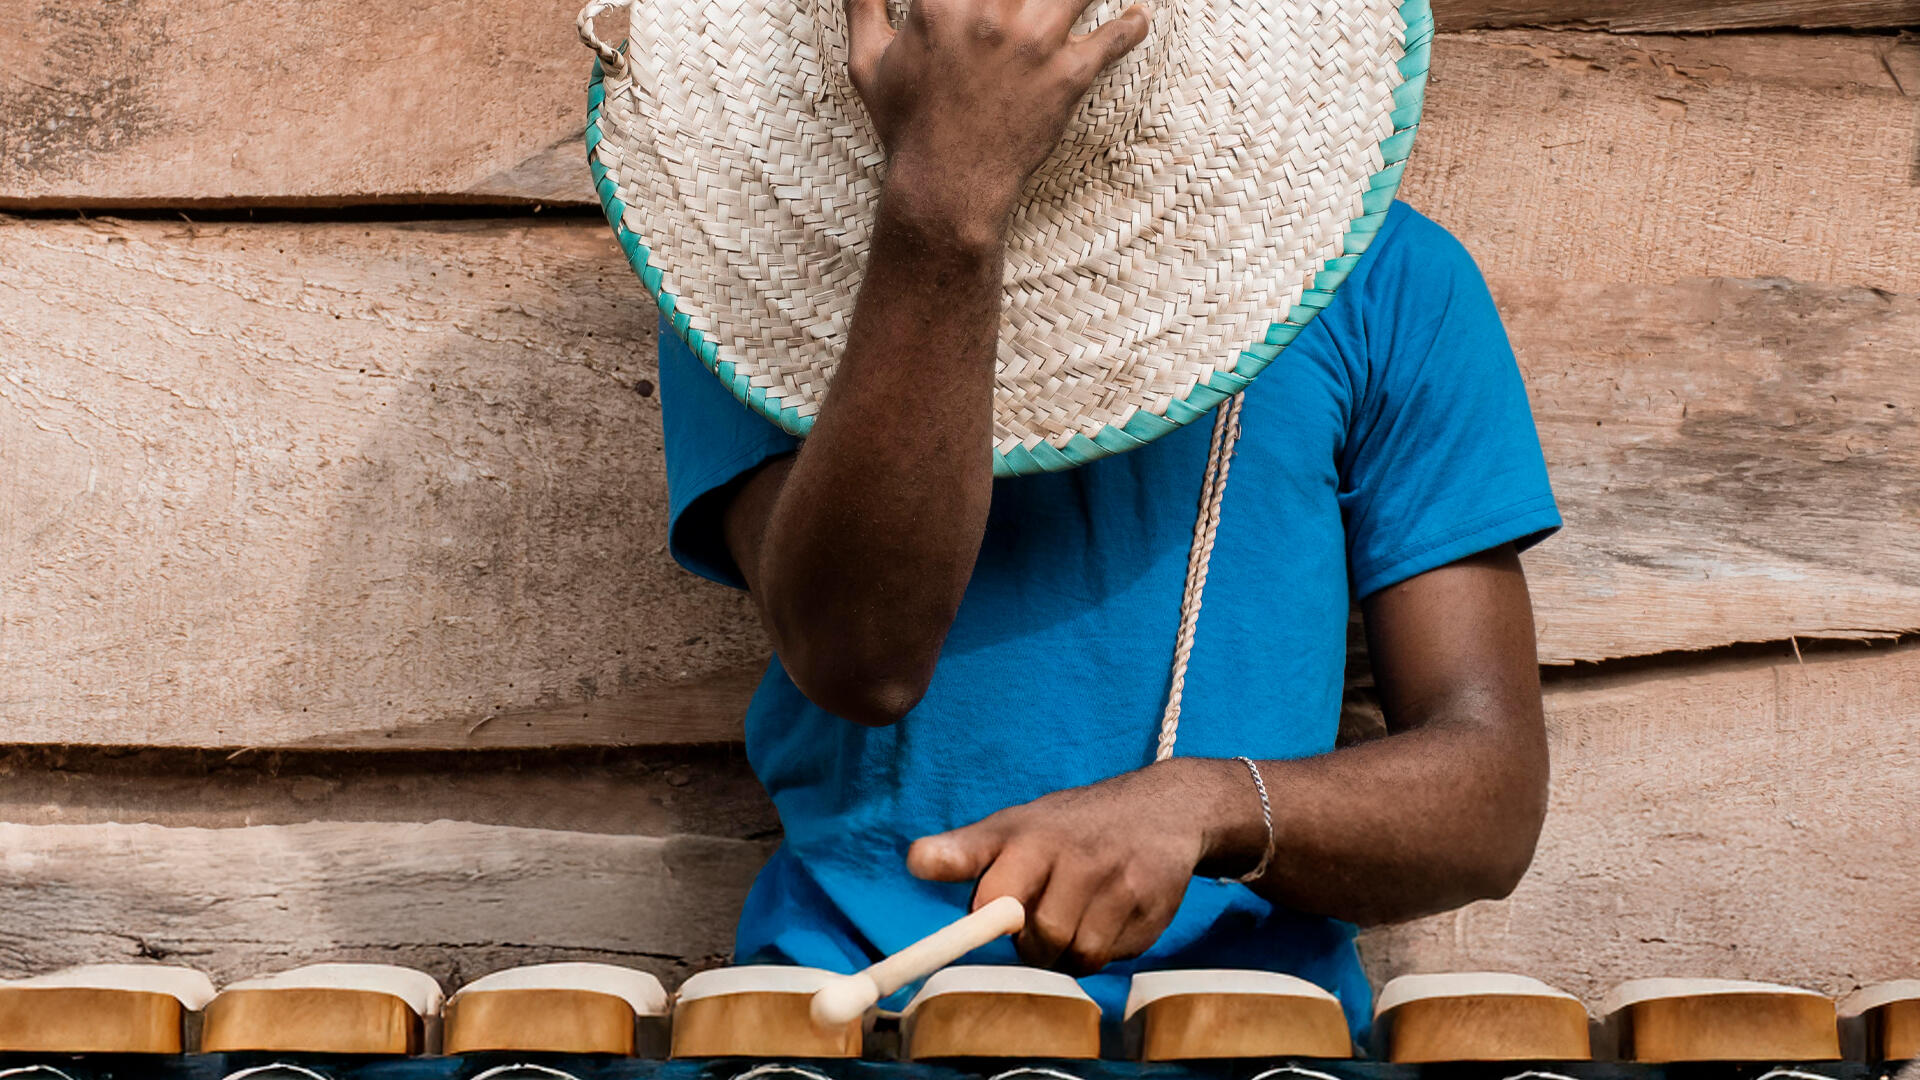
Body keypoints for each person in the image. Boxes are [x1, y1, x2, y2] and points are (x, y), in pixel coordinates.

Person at [656, 0, 1561, 1037]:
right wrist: (947, 202)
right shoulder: (739, 274)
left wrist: (1209, 805)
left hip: (1245, 1033)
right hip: (851, 1020)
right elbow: (861, 657)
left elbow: (1490, 799)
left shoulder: (1389, 283)